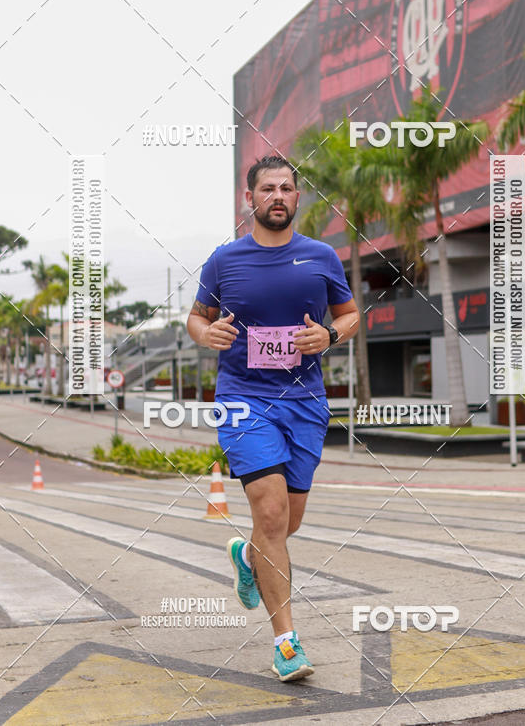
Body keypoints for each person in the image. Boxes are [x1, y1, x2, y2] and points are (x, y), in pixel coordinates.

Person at [186, 154, 359, 681]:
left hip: (304, 403)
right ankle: (287, 642)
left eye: (287, 187)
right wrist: (205, 334)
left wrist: (329, 336)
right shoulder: (224, 260)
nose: (277, 196)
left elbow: (349, 316)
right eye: (268, 188)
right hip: (244, 401)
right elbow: (197, 317)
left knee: (285, 525)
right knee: (270, 517)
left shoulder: (323, 256)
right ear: (251, 199)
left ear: (297, 197)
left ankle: (247, 557)